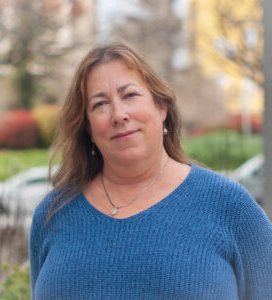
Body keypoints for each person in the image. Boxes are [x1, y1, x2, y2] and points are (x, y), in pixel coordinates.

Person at [29, 42, 272, 300]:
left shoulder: (230, 208)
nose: (118, 114)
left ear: (161, 107)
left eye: (130, 95)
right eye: (100, 104)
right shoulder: (52, 214)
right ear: (88, 128)